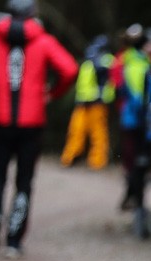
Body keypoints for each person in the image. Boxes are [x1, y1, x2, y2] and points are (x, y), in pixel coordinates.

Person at [0, 0, 76, 258]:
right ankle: (13, 240)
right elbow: (69, 69)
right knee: (24, 181)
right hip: (31, 123)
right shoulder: (43, 41)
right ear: (32, 14)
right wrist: (52, 92)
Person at [111, 23, 151, 237]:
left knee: (139, 166)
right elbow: (135, 95)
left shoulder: (144, 62)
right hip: (136, 122)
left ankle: (135, 205)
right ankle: (136, 209)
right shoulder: (133, 63)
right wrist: (146, 112)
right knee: (136, 166)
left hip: (139, 122)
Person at [60, 35, 115, 170]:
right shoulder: (89, 61)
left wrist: (96, 58)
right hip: (82, 103)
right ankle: (70, 158)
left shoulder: (107, 60)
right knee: (75, 130)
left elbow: (105, 71)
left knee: (98, 133)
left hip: (98, 102)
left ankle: (97, 161)